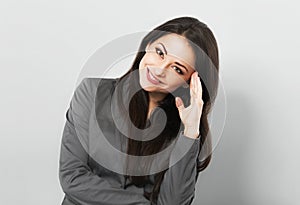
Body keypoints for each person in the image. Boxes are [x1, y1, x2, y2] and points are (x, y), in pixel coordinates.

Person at [59, 16, 219, 205]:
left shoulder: (185, 128)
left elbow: (174, 202)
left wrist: (191, 131)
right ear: (148, 44)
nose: (159, 70)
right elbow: (72, 179)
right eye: (160, 53)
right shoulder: (92, 93)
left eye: (177, 68)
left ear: (189, 82)